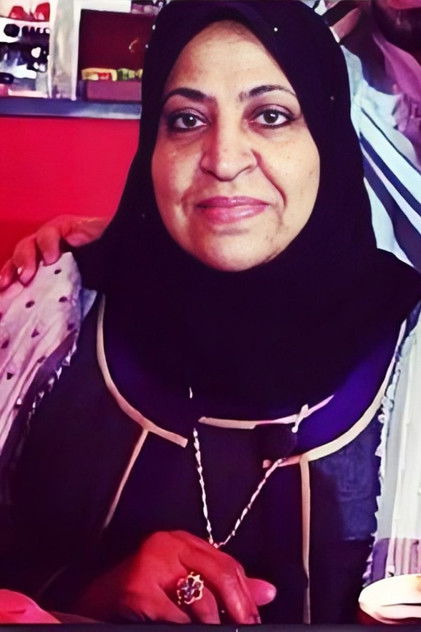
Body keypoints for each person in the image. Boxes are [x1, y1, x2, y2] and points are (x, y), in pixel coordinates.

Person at [0, 0, 420, 625]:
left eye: (271, 116)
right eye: (187, 119)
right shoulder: (55, 308)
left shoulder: (410, 350)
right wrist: (90, 596)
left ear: (328, 141)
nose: (223, 159)